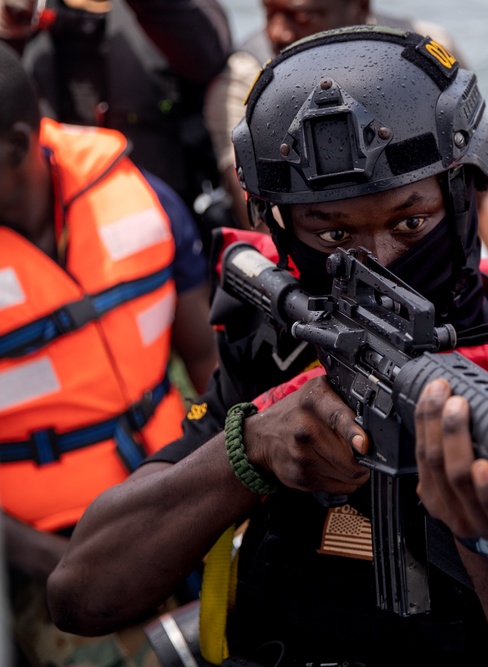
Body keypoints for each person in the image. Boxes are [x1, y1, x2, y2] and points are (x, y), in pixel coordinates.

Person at [47, 26, 488, 665]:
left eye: (412, 220)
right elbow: (80, 594)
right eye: (332, 234)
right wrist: (249, 449)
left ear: (464, 199)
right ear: (281, 228)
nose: (379, 260)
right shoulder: (279, 349)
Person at [0, 42, 214, 666]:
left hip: (180, 496)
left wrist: (223, 498)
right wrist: (59, 563)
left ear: (15, 147)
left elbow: (206, 362)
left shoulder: (144, 203)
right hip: (50, 551)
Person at [204, 0, 488, 257]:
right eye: (269, 13)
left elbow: (480, 159)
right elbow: (255, 201)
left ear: (359, 7)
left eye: (301, 16)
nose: (278, 32)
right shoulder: (245, 80)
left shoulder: (427, 53)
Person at [6, 0, 234, 241]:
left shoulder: (171, 16)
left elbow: (210, 55)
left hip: (162, 226)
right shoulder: (25, 16)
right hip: (47, 233)